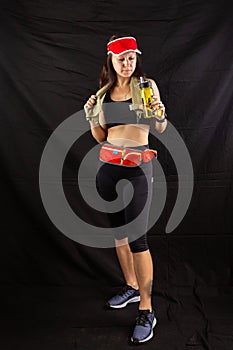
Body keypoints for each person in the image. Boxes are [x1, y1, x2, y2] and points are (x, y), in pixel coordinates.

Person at [84, 34, 167, 344]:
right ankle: (131, 288)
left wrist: (159, 114)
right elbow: (100, 136)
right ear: (111, 60)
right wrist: (91, 115)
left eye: (132, 57)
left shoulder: (146, 86)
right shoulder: (104, 93)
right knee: (119, 235)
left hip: (138, 170)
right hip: (109, 169)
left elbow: (159, 128)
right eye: (122, 58)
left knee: (138, 238)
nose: (128, 63)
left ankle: (147, 309)